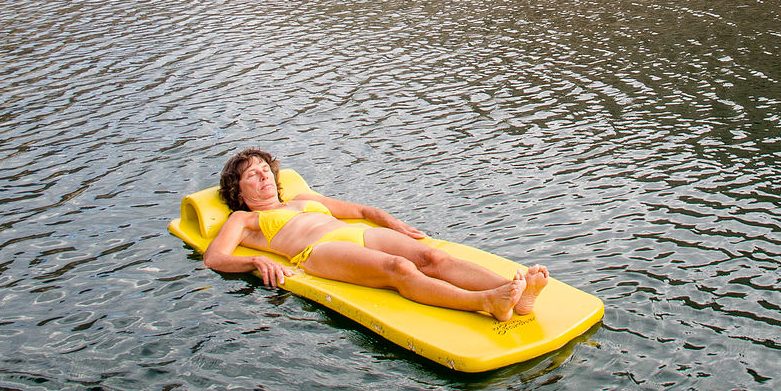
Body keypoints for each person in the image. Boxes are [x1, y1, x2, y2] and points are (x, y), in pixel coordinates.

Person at [203, 148, 550, 323]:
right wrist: (255, 259)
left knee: (431, 257)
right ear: (238, 189)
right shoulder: (243, 219)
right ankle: (487, 301)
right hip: (319, 252)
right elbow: (215, 257)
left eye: (265, 170)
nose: (263, 176)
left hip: (355, 233)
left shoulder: (303, 199)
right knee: (399, 268)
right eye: (252, 175)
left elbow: (363, 212)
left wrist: (394, 224)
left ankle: (516, 296)